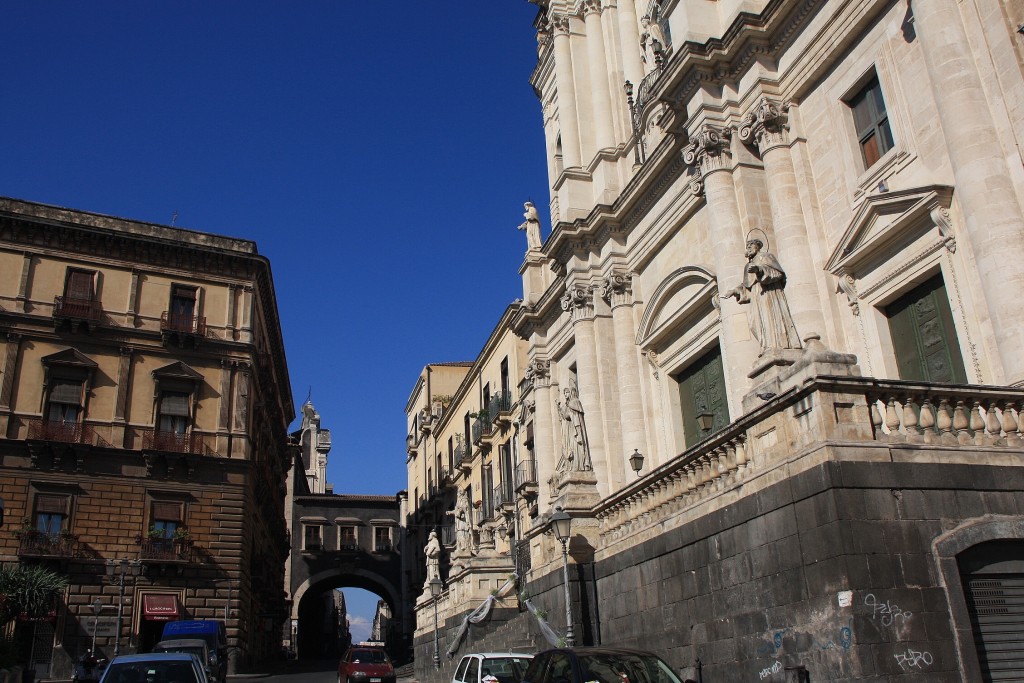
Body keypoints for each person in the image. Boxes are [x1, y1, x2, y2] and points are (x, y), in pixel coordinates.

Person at [721, 238, 802, 355]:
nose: (748, 248)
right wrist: (735, 291)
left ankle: (777, 345)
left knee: (769, 317)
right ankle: (766, 345)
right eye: (747, 246)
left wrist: (759, 270)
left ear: (758, 246)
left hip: (769, 294)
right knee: (755, 322)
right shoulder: (748, 266)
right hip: (756, 296)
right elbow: (747, 286)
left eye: (751, 245)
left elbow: (778, 273)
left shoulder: (766, 256)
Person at [557, 380, 592, 471]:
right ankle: (573, 466)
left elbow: (572, 416)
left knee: (576, 448)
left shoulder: (575, 402)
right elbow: (564, 416)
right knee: (570, 448)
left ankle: (580, 465)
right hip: (569, 431)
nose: (565, 394)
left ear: (572, 392)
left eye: (567, 392)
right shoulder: (567, 405)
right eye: (564, 393)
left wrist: (579, 433)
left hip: (575, 430)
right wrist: (559, 408)